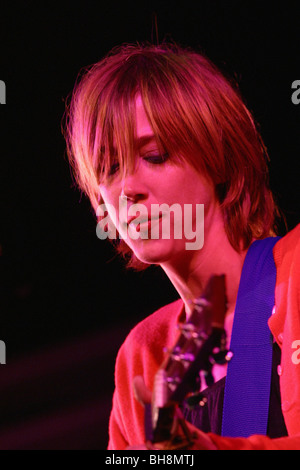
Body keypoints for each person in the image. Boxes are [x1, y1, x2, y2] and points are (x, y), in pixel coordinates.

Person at [63, 42, 300, 450]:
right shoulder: (142, 355)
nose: (128, 190)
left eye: (154, 155)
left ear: (220, 158)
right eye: (109, 168)